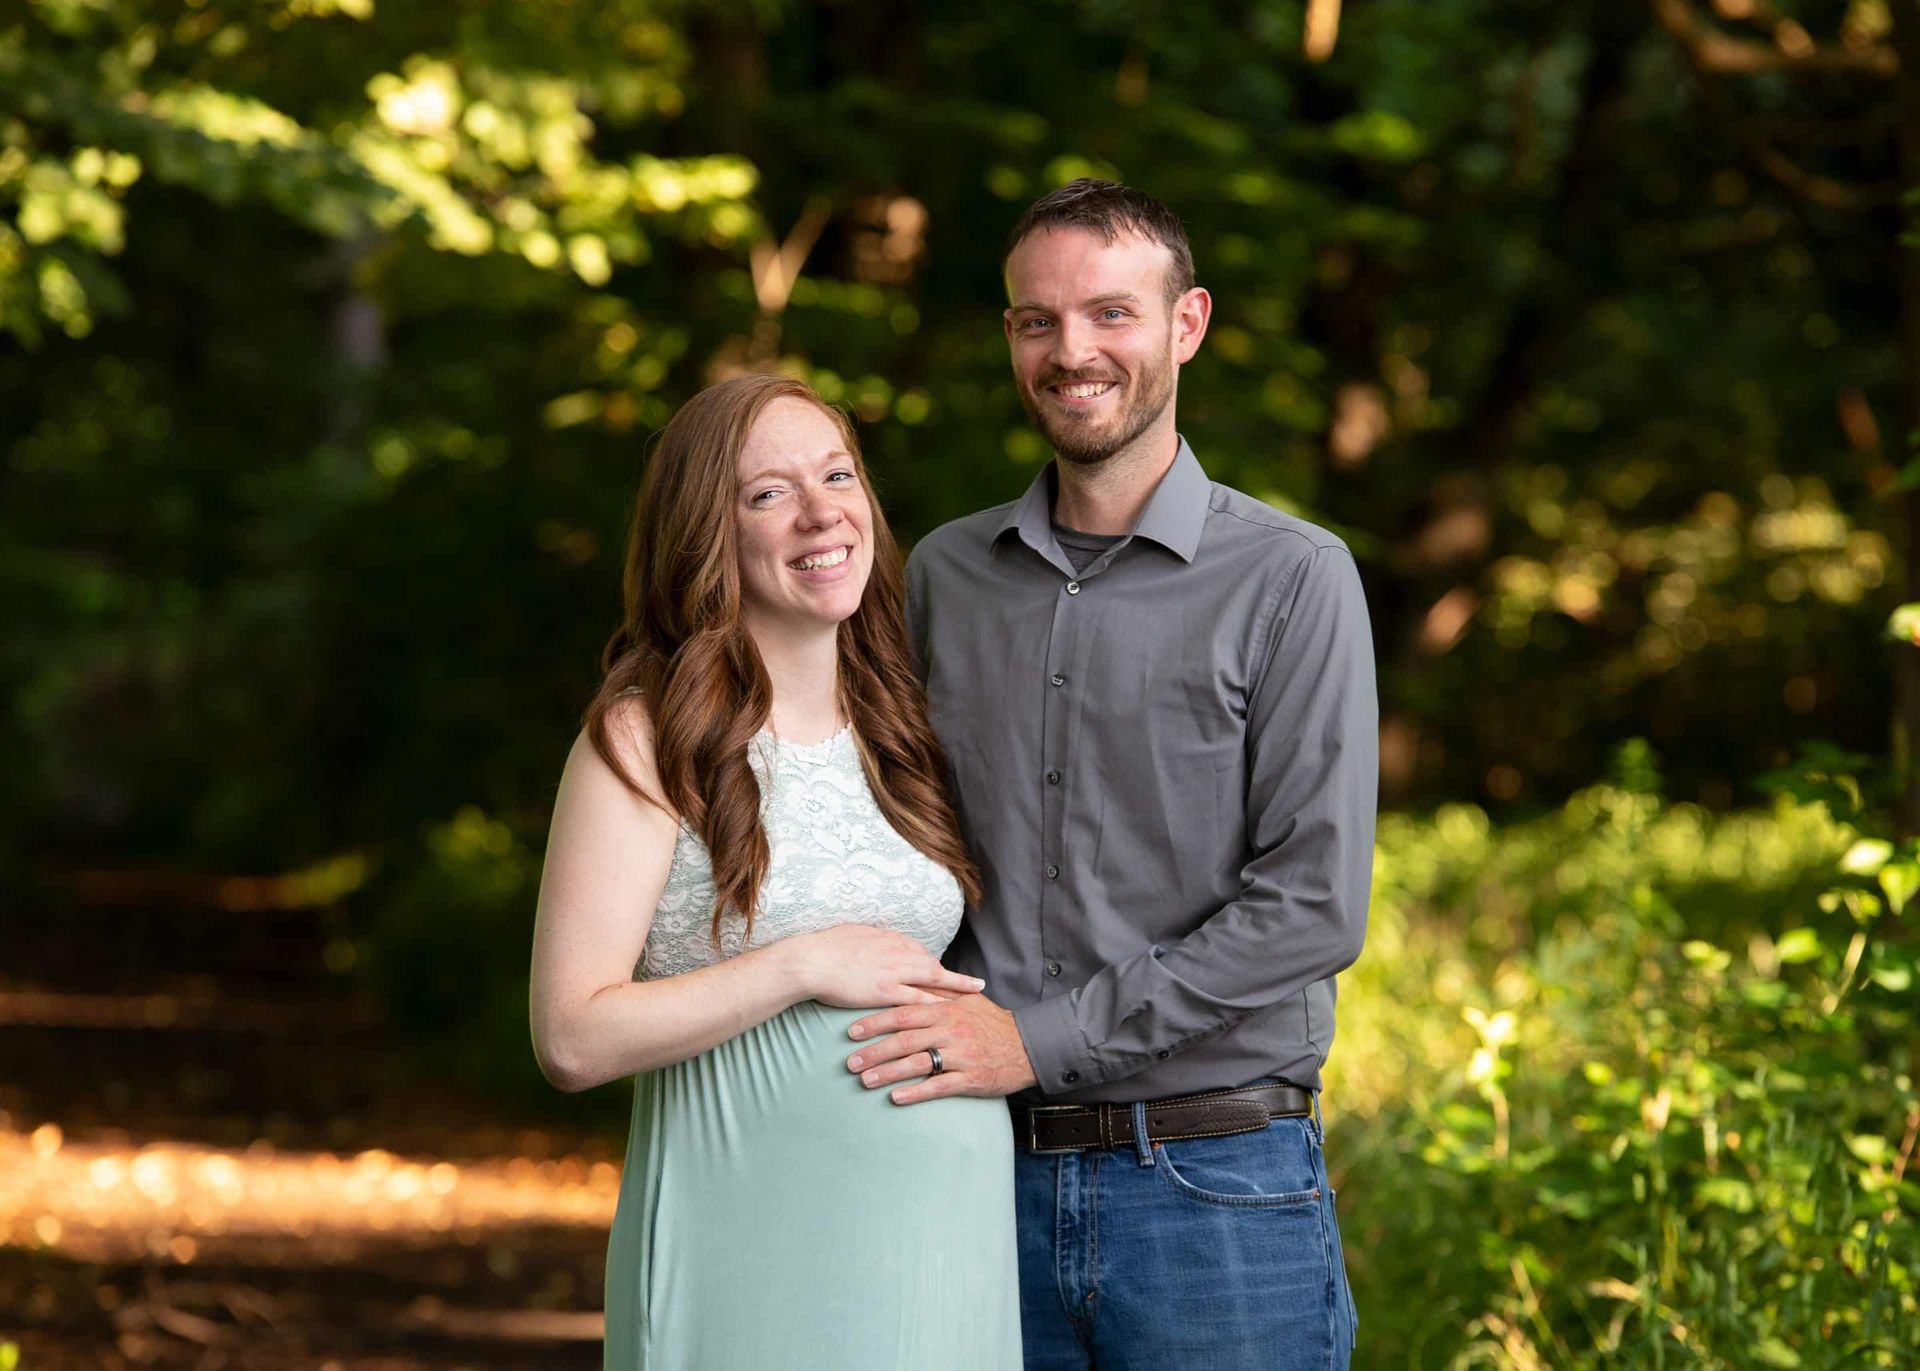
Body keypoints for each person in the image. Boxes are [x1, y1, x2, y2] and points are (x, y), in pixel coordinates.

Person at [841, 179, 1376, 1368]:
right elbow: (885, 839)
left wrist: (1038, 1042)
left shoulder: (1293, 577)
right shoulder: (943, 576)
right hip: (969, 1174)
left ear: (1185, 325)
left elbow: (1311, 908)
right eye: (1038, 320)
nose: (1071, 350)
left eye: (1109, 315)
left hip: (1215, 1190)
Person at [528, 373, 1022, 1370]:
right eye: (768, 494)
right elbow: (570, 1037)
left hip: (942, 1252)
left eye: (837, 474)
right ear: (707, 535)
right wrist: (800, 965)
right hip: (750, 1241)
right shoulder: (645, 739)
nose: (820, 511)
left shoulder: (905, 726)